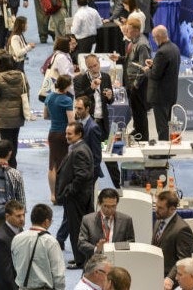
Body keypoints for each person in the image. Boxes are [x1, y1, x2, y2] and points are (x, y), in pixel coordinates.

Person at [56, 121, 95, 270]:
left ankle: (81, 261)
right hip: (78, 197)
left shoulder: (80, 151)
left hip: (77, 198)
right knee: (77, 229)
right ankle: (80, 258)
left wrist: (69, 190)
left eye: (70, 134)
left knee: (77, 230)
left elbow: (82, 175)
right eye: (66, 133)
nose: (66, 136)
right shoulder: (79, 147)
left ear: (79, 134)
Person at [110, 17, 151, 141]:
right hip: (131, 81)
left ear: (136, 30)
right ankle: (137, 129)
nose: (126, 32)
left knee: (140, 111)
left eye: (128, 30)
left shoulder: (142, 45)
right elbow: (132, 60)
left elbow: (144, 67)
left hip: (138, 83)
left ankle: (143, 136)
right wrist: (119, 58)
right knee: (135, 109)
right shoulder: (133, 41)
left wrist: (135, 85)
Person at [0, 54, 29, 168]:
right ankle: (13, 163)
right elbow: (27, 92)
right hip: (18, 114)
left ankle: (7, 165)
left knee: (4, 143)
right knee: (14, 140)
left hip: (4, 115)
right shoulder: (22, 76)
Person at [11, 204, 65, 290]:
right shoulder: (51, 242)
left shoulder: (16, 239)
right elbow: (58, 274)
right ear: (47, 222)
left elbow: (15, 265)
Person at [144, 25, 181, 141]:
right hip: (171, 94)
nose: (154, 40)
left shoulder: (161, 52)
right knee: (167, 125)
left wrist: (147, 70)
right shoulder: (175, 48)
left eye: (154, 37)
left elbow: (155, 75)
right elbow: (166, 69)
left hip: (160, 96)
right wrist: (154, 65)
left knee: (162, 127)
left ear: (159, 37)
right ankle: (167, 147)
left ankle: (163, 149)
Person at [152, 190, 193, 290]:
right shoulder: (159, 221)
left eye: (160, 208)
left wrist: (170, 278)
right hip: (155, 274)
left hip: (170, 282)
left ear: (172, 209)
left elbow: (183, 260)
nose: (156, 210)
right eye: (156, 206)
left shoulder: (182, 229)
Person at [78, 188, 135, 258]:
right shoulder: (87, 220)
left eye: (113, 206)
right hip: (96, 261)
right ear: (99, 203)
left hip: (118, 260)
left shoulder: (126, 220)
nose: (110, 210)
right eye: (106, 206)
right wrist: (96, 249)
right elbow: (81, 243)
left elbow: (131, 243)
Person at [44, 74, 74, 202]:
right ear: (67, 86)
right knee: (64, 165)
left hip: (52, 134)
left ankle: (52, 194)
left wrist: (56, 117)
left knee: (52, 165)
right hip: (64, 135)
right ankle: (61, 193)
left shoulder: (49, 97)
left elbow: (45, 116)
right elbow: (71, 122)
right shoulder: (67, 100)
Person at [0, 199, 25, 290]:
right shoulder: (0, 241)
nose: (22, 219)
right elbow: (6, 274)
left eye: (23, 215)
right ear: (7, 216)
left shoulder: (19, 229)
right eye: (18, 216)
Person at [73, 96, 103, 182]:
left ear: (87, 109)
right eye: (75, 108)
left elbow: (97, 156)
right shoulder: (78, 122)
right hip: (78, 170)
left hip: (88, 173)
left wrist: (89, 175)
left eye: (80, 108)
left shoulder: (93, 128)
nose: (76, 111)